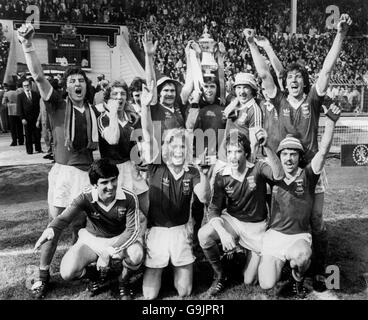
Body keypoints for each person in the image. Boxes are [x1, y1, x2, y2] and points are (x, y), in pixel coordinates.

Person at [245, 13, 352, 291]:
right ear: (286, 82)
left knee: (316, 220)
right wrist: (251, 44)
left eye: (298, 77)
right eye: (289, 77)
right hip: (285, 168)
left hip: (311, 168)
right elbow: (265, 73)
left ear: (304, 82)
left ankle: (321, 272)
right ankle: (281, 261)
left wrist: (340, 34)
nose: (293, 80)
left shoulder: (314, 100)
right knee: (281, 218)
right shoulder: (278, 98)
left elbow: (327, 70)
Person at [17, 23, 99, 298]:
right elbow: (39, 77)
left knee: (82, 229)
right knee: (55, 226)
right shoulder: (57, 105)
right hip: (64, 174)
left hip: (87, 174)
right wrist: (28, 45)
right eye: (73, 80)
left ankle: (84, 270)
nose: (78, 83)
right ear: (66, 85)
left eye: (81, 80)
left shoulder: (94, 110)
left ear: (87, 86)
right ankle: (43, 275)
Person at [258, 104, 341, 297]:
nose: (288, 158)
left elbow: (323, 152)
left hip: (298, 237)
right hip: (275, 235)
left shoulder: (308, 175)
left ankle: (298, 279)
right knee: (266, 284)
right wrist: (264, 144)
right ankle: (283, 264)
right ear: (279, 157)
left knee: (302, 257)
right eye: (285, 154)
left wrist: (330, 123)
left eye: (293, 154)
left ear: (299, 157)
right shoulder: (274, 175)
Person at [139, 81, 211, 299]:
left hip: (180, 230)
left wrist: (205, 173)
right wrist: (144, 108)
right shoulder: (156, 163)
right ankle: (159, 265)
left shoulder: (192, 170)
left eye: (182, 146)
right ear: (166, 147)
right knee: (150, 296)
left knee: (185, 291)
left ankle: (173, 265)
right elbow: (147, 132)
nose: (178, 150)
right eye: (174, 145)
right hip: (158, 230)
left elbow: (204, 197)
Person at [34, 159, 144, 300]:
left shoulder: (129, 197)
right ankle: (95, 275)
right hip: (93, 240)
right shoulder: (85, 196)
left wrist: (109, 252)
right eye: (104, 182)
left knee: (136, 254)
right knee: (67, 272)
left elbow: (132, 231)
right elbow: (64, 218)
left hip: (119, 238)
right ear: (94, 184)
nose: (110, 186)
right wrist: (51, 228)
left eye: (113, 180)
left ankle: (123, 281)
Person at [198, 128, 284, 297]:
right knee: (204, 235)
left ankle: (243, 253)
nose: (233, 156)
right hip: (233, 221)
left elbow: (279, 175)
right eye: (229, 152)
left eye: (238, 151)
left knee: (249, 280)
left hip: (256, 227)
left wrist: (266, 146)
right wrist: (222, 233)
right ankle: (220, 274)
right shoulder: (222, 176)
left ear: (246, 153)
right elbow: (214, 210)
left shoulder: (258, 168)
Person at [17, 79, 42, 154]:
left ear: (30, 86)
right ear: (23, 87)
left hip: (35, 117)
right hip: (26, 118)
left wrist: (39, 118)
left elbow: (39, 106)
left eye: (27, 85)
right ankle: (29, 150)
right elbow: (19, 108)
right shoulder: (20, 96)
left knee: (37, 134)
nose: (26, 87)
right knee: (28, 135)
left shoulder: (36, 94)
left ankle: (38, 148)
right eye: (24, 86)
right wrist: (22, 118)